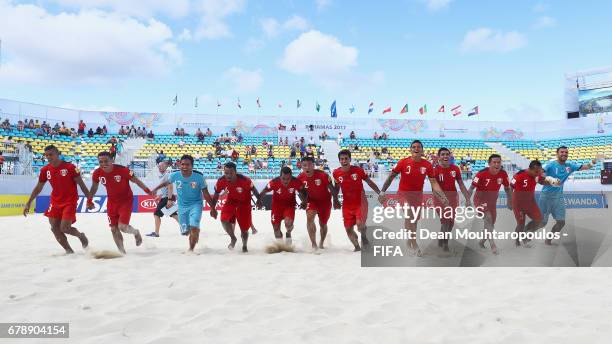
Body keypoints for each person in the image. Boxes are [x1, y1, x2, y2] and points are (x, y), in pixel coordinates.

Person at [379, 140, 448, 256]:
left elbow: (434, 182)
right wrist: (382, 192)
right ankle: (415, 245)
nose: (416, 148)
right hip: (403, 194)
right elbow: (391, 177)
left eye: (419, 147)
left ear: (422, 150)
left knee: (413, 220)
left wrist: (443, 196)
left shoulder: (427, 165)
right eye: (414, 147)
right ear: (410, 150)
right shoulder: (403, 162)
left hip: (417, 196)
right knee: (410, 214)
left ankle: (409, 240)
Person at [23, 145, 90, 254]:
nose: (49, 157)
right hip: (55, 201)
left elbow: (82, 185)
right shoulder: (45, 170)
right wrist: (28, 202)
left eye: (51, 154)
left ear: (58, 153)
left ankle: (80, 236)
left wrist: (89, 200)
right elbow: (38, 187)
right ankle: (69, 251)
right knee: (54, 228)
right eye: (46, 155)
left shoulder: (70, 167)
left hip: (70, 201)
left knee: (64, 228)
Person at [87, 152, 150, 254]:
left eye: (106, 161)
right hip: (111, 202)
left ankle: (136, 232)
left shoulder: (123, 170)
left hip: (126, 201)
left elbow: (137, 181)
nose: (103, 164)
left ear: (112, 160)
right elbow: (94, 187)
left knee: (122, 227)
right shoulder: (97, 173)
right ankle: (122, 252)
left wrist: (148, 191)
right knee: (113, 229)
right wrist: (89, 200)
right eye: (100, 162)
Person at [150, 155, 215, 252]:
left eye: (187, 165)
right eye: (182, 164)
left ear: (192, 166)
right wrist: (155, 189)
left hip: (196, 205)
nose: (184, 166)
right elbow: (166, 183)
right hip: (182, 206)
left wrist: (213, 208)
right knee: (185, 232)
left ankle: (191, 249)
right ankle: (194, 234)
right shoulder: (175, 175)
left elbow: (206, 194)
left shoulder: (199, 177)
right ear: (179, 165)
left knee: (194, 226)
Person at [538, 146, 598, 245]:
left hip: (558, 197)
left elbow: (587, 167)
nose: (564, 154)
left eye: (566, 152)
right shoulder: (550, 164)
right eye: (562, 152)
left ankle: (548, 239)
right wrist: (549, 179)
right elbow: (540, 176)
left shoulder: (569, 166)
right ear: (557, 153)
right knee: (542, 223)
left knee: (561, 222)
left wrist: (594, 161)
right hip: (546, 197)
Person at [333, 149, 382, 252]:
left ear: (350, 159)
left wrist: (380, 193)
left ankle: (364, 238)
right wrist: (335, 199)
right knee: (348, 229)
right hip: (347, 205)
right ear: (339, 161)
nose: (344, 160)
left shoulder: (358, 170)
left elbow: (369, 182)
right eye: (342, 159)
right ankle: (357, 247)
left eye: (346, 158)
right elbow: (337, 188)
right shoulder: (336, 173)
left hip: (360, 202)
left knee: (360, 224)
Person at [467, 154, 512, 255]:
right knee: (488, 217)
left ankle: (481, 242)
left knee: (490, 225)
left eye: (499, 162)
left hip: (492, 202)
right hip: (480, 200)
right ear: (489, 164)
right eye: (494, 162)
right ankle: (493, 245)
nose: (497, 164)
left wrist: (510, 201)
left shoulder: (503, 174)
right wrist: (467, 200)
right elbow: (471, 188)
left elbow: (507, 189)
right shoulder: (481, 174)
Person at [212, 162, 262, 252]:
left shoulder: (245, 180)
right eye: (226, 173)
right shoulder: (221, 180)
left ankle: (244, 245)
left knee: (244, 230)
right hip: (231, 201)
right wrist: (213, 208)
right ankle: (233, 238)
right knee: (223, 219)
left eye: (231, 173)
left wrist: (259, 200)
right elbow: (216, 194)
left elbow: (254, 190)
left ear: (235, 172)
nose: (228, 175)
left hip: (244, 203)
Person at [432, 148, 471, 252]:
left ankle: (441, 240)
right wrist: (442, 198)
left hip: (453, 199)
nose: (445, 156)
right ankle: (445, 244)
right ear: (439, 157)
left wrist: (467, 199)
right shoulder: (435, 170)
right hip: (439, 199)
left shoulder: (455, 169)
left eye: (447, 154)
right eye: (443, 154)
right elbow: (434, 188)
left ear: (450, 156)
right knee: (445, 221)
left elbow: (461, 184)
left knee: (451, 223)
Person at [297, 157, 340, 249]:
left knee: (323, 224)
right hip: (311, 201)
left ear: (313, 165)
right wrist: (304, 201)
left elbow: (332, 189)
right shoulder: (299, 178)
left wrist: (336, 200)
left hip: (325, 201)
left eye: (309, 165)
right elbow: (300, 192)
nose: (307, 167)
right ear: (301, 166)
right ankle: (314, 244)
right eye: (304, 165)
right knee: (310, 218)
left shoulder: (323, 175)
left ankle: (321, 242)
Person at [258, 167, 306, 244]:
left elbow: (303, 192)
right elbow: (264, 191)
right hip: (276, 207)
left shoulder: (296, 181)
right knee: (276, 229)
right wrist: (258, 201)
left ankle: (288, 232)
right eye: (283, 178)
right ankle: (281, 245)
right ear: (280, 176)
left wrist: (304, 202)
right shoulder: (274, 182)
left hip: (289, 205)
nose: (286, 181)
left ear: (291, 177)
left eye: (288, 179)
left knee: (288, 224)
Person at [510, 160, 553, 247]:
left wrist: (553, 182)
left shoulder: (537, 175)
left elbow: (542, 181)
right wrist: (510, 201)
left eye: (539, 171)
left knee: (539, 220)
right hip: (518, 204)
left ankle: (525, 234)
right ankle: (517, 241)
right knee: (520, 224)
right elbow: (510, 187)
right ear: (530, 169)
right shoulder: (519, 175)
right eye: (537, 171)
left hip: (530, 202)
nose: (538, 173)